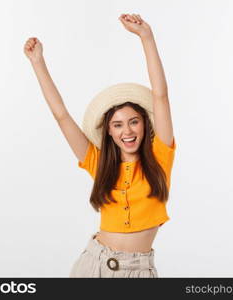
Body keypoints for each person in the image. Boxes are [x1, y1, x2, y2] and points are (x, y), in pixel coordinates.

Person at [24, 13, 176, 278]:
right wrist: (38, 63)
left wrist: (146, 38)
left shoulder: (160, 157)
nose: (127, 131)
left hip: (137, 271)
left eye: (133, 122)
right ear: (108, 131)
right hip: (93, 264)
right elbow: (61, 116)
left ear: (145, 125)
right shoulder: (100, 163)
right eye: (117, 125)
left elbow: (160, 97)